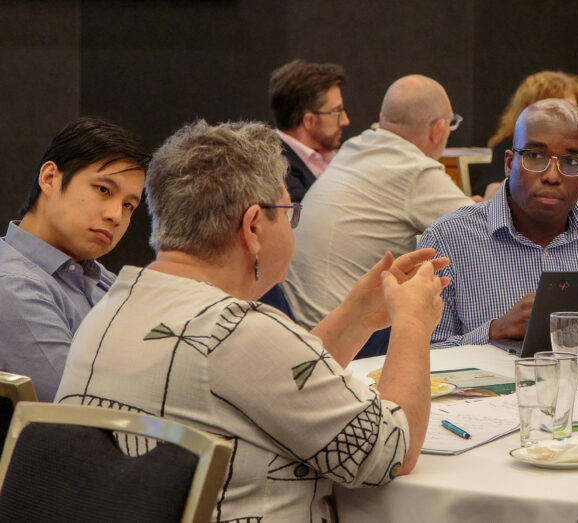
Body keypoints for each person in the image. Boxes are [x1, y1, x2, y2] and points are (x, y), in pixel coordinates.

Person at [57, 120, 447, 521]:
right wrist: (412, 324)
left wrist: (356, 317)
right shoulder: (237, 331)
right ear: (254, 226)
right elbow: (391, 450)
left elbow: (272, 384)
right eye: (290, 214)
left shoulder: (112, 305)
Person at [423, 99, 578, 348]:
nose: (552, 176)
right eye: (535, 156)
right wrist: (493, 331)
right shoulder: (449, 238)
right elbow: (420, 352)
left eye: (571, 162)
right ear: (509, 163)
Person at [284, 74, 475, 330]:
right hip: (344, 336)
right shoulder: (414, 170)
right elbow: (483, 232)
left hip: (298, 323)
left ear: (383, 119)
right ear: (438, 128)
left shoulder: (353, 147)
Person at [0, 117, 147, 401]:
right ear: (49, 178)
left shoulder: (100, 277)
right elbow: (77, 407)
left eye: (129, 205)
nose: (116, 215)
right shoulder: (12, 285)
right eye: (103, 190)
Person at [470, 70, 578, 199]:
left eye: (570, 110)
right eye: (552, 111)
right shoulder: (514, 144)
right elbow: (491, 197)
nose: (563, 120)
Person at [269, 58, 350, 202]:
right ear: (309, 121)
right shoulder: (278, 172)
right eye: (337, 112)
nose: (345, 121)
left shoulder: (331, 153)